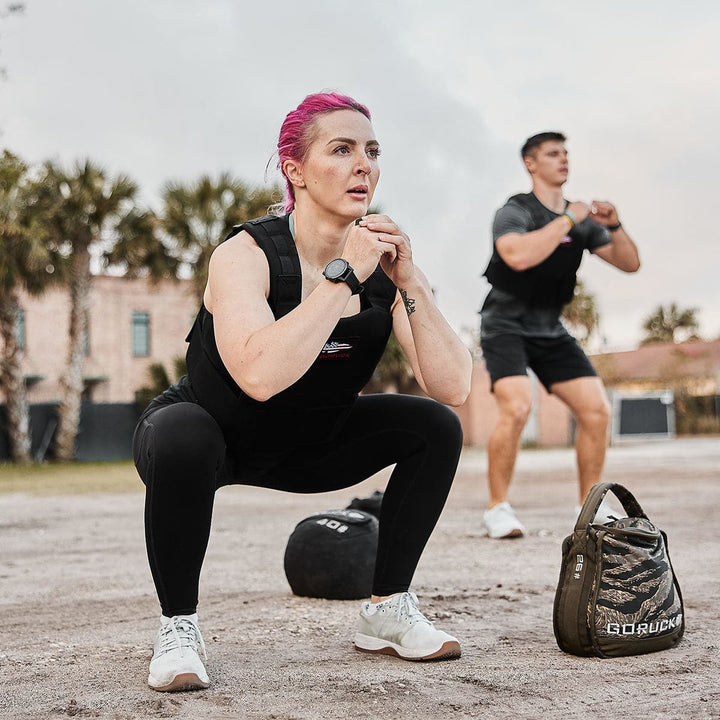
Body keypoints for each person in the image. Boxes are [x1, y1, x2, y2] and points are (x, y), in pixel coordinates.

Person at [133, 92, 473, 692]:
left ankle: (388, 609)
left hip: (314, 441)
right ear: (295, 170)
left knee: (434, 426)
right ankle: (178, 630)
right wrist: (343, 277)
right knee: (181, 432)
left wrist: (409, 280)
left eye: (371, 151)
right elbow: (260, 378)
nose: (362, 165)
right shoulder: (246, 254)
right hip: (219, 438)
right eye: (340, 150)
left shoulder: (384, 266)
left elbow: (453, 385)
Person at [479, 131, 640, 539]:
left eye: (565, 153)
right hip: (505, 324)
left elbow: (630, 264)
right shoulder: (515, 211)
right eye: (553, 153)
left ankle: (589, 507)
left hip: (550, 328)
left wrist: (615, 224)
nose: (563, 159)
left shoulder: (582, 221)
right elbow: (516, 255)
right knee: (516, 408)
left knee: (596, 411)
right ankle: (497, 509)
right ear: (531, 163)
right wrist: (569, 219)